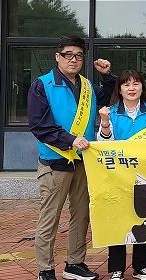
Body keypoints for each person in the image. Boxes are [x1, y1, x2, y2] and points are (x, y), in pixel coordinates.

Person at [27, 35, 116, 280]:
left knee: (82, 214)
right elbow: (39, 125)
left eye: (78, 55)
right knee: (50, 217)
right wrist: (70, 140)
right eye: (68, 55)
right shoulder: (42, 84)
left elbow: (105, 99)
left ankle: (74, 264)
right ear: (58, 57)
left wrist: (108, 76)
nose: (73, 60)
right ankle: (45, 269)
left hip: (83, 161)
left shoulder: (87, 86)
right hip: (55, 162)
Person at [97, 70, 146, 280]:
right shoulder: (111, 112)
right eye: (126, 84)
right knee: (117, 220)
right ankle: (116, 268)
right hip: (118, 176)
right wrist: (105, 123)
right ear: (120, 89)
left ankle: (142, 267)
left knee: (143, 218)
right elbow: (104, 145)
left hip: (145, 174)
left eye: (136, 83)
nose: (131, 88)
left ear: (142, 87)